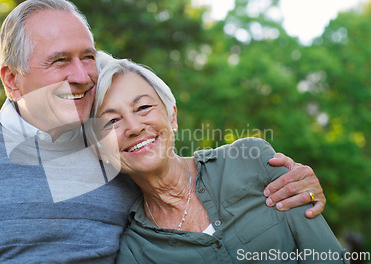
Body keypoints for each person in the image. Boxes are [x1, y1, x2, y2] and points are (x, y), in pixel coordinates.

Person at [0, 0, 326, 263]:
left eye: (87, 57)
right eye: (60, 61)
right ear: (12, 81)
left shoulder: (110, 154)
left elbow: (177, 167)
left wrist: (287, 178)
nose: (82, 74)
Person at [87, 54, 347, 263]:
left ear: (172, 116)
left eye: (143, 107)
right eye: (111, 122)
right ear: (100, 149)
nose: (134, 127)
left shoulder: (253, 161)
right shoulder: (135, 251)